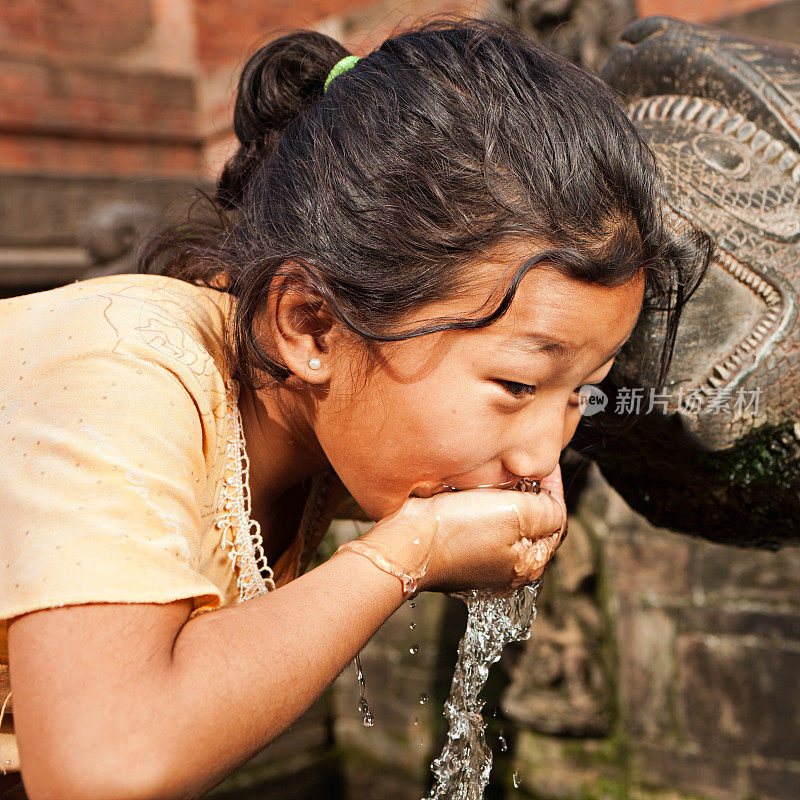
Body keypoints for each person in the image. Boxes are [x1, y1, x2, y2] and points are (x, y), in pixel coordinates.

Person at [0, 15, 712, 800]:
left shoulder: (311, 428)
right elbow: (102, 765)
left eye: (580, 392)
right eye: (516, 386)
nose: (542, 455)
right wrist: (405, 555)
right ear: (311, 324)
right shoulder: (117, 365)